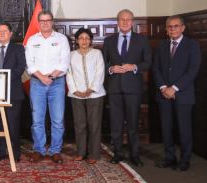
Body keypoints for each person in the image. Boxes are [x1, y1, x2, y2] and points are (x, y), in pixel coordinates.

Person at [103, 9, 152, 167]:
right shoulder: (109, 40)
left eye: (128, 19)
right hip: (114, 88)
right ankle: (117, 153)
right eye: (122, 19)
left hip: (133, 88)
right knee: (115, 123)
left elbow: (148, 62)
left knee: (133, 124)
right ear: (118, 22)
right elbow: (103, 63)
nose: (125, 22)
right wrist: (111, 69)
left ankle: (134, 154)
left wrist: (134, 66)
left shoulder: (142, 40)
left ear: (132, 22)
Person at [153, 15, 201, 172]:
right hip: (163, 94)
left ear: (182, 28)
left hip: (183, 94)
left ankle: (184, 159)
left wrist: (174, 88)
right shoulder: (162, 45)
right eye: (169, 27)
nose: (172, 29)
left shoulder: (192, 45)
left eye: (176, 26)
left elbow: (192, 70)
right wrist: (163, 88)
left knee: (184, 129)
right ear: (166, 30)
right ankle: (169, 157)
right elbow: (156, 68)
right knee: (166, 128)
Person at [25, 10, 70, 164]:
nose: (45, 23)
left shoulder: (61, 39)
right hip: (37, 83)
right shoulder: (32, 40)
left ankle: (55, 151)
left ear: (52, 22)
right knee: (37, 120)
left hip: (56, 83)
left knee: (57, 120)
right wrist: (42, 77)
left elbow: (64, 63)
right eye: (42, 21)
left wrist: (50, 77)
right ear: (38, 23)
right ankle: (39, 149)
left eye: (47, 20)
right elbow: (29, 64)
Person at [0, 23, 26, 162]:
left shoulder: (18, 49)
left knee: (13, 124)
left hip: (13, 92)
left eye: (5, 31)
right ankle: (0, 152)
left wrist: (2, 78)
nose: (2, 33)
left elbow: (20, 68)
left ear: (10, 33)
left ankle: (14, 154)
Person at [66, 28, 106, 164]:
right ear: (77, 40)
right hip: (76, 95)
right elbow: (68, 73)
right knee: (79, 125)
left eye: (87, 38)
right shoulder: (71, 55)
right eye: (81, 38)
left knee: (94, 125)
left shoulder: (97, 53)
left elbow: (100, 72)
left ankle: (94, 154)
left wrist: (91, 89)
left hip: (95, 95)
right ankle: (81, 152)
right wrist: (75, 90)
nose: (84, 41)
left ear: (90, 40)